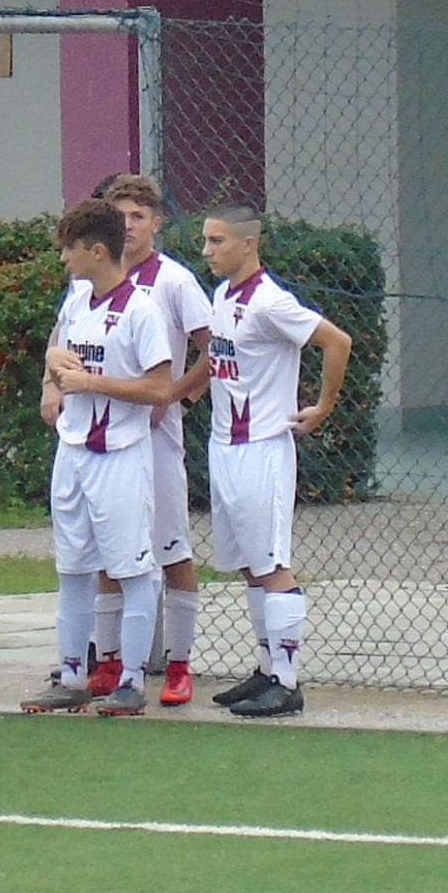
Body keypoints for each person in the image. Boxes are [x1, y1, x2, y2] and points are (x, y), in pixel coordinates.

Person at [24, 200, 179, 714]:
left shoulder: (140, 311)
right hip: (72, 451)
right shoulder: (77, 302)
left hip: (120, 454)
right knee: (72, 568)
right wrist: (53, 364)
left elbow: (159, 388)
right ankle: (71, 674)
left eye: (70, 248)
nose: (63, 258)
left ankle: (131, 681)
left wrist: (92, 382)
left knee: (132, 568)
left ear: (96, 251)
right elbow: (60, 354)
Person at [198, 208, 354, 717]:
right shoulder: (222, 296)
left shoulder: (270, 301)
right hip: (224, 446)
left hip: (262, 448)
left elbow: (337, 341)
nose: (207, 251)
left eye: (217, 241)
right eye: (206, 240)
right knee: (250, 563)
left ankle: (287, 682)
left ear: (248, 244)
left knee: (272, 564)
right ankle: (267, 669)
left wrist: (323, 406)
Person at [100, 172, 213, 703]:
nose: (128, 226)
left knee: (171, 548)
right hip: (105, 437)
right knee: (108, 550)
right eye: (120, 217)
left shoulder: (174, 281)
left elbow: (215, 349)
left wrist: (176, 396)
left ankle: (179, 664)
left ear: (156, 223)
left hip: (157, 437)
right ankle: (108, 661)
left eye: (138, 216)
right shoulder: (95, 279)